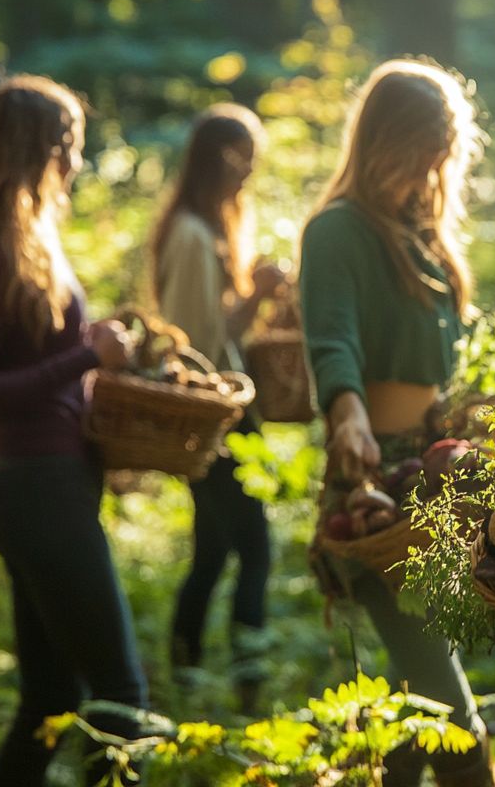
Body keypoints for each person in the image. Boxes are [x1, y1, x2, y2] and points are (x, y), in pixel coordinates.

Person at [0, 75, 147, 786]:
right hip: (35, 490)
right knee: (122, 699)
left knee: (52, 697)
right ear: (38, 150)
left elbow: (46, 365)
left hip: (49, 484)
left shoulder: (28, 242)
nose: (76, 163)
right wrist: (88, 354)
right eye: (69, 146)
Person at [299, 59, 495, 787]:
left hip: (434, 471)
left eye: (442, 152)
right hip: (375, 483)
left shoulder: (425, 239)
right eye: (421, 150)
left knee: (417, 692)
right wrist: (345, 411)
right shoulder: (339, 231)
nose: (431, 168)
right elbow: (331, 338)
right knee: (448, 711)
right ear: (385, 140)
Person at [151, 102, 286, 711]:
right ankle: (247, 684)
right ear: (219, 160)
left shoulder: (203, 230)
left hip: (225, 413)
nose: (248, 177)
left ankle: (187, 674)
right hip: (214, 415)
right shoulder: (189, 235)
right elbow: (196, 345)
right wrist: (254, 296)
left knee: (212, 551)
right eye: (243, 163)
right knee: (254, 547)